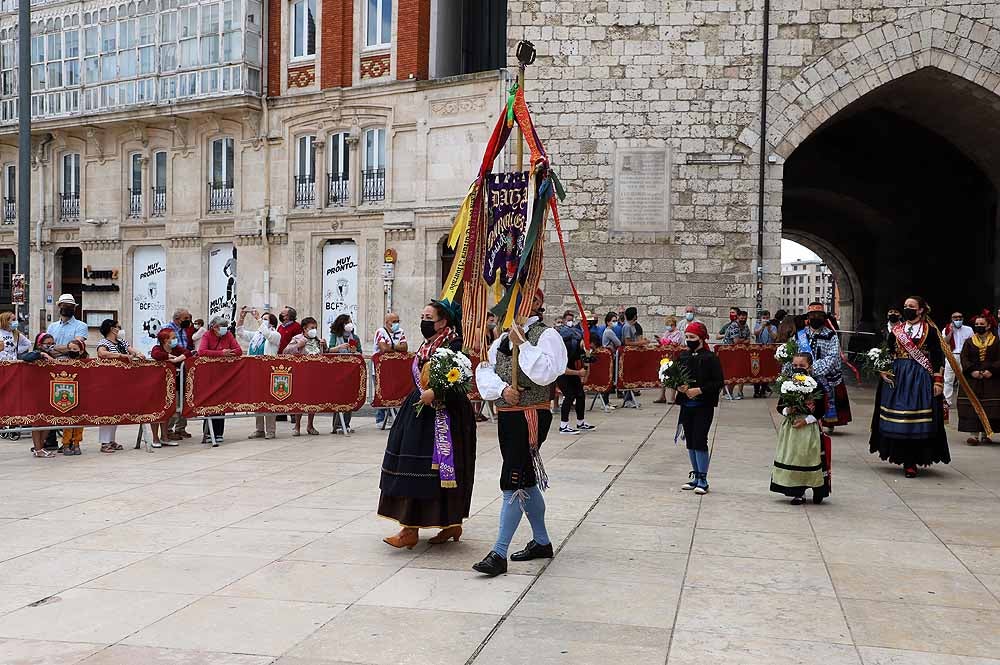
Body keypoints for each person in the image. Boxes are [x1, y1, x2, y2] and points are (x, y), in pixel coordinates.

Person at [473, 288, 567, 576]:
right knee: (525, 479)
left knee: (512, 479)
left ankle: (498, 553)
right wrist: (502, 389)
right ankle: (541, 542)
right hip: (508, 415)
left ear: (536, 303)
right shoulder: (501, 338)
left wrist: (524, 345)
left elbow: (548, 373)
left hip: (531, 414)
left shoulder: (546, 335)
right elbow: (485, 370)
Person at [378, 300, 476, 549]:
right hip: (420, 408)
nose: (424, 321)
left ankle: (447, 523)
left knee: (440, 469)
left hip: (446, 413)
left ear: (443, 321)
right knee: (410, 462)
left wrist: (438, 392)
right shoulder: (428, 344)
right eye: (422, 316)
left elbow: (459, 379)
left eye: (429, 317)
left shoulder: (453, 344)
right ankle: (411, 527)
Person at [869, 296, 950, 478]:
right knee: (897, 417)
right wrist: (882, 370)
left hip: (919, 378)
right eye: (905, 306)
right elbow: (887, 352)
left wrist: (938, 381)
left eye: (911, 306)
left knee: (915, 420)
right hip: (898, 377)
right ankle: (899, 455)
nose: (907, 309)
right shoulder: (898, 330)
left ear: (921, 310)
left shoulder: (930, 330)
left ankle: (911, 461)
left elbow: (938, 356)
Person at [771, 352, 831, 505]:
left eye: (802, 366)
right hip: (791, 428)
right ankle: (798, 493)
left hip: (809, 428)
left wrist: (806, 420)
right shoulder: (788, 383)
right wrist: (787, 411)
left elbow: (822, 408)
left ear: (809, 366)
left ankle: (818, 489)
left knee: (809, 458)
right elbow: (780, 406)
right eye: (795, 366)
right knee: (793, 457)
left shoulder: (816, 384)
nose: (798, 369)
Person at [676, 322, 724, 495]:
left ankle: (703, 478)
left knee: (700, 439)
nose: (689, 341)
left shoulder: (711, 358)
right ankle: (696, 475)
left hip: (703, 405)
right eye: (687, 337)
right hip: (686, 405)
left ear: (702, 338)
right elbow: (676, 376)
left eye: (693, 338)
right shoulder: (683, 356)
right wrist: (679, 386)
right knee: (690, 441)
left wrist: (699, 390)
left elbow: (718, 382)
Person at [793, 309, 852, 432]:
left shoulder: (831, 334)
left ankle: (828, 422)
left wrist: (814, 368)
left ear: (823, 317)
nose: (815, 317)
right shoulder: (801, 334)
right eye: (812, 315)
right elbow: (794, 351)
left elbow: (833, 356)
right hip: (803, 372)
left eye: (818, 315)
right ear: (808, 317)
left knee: (826, 397)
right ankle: (803, 419)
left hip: (825, 373)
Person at [96, 319, 146, 454]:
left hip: (121, 381)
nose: (120, 329)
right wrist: (120, 355)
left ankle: (111, 440)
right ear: (112, 329)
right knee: (107, 410)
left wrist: (138, 353)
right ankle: (104, 442)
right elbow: (102, 353)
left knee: (116, 410)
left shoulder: (122, 342)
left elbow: (132, 350)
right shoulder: (103, 342)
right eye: (118, 327)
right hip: (108, 381)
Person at [237, 308, 282, 440]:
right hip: (255, 370)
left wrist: (257, 319)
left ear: (272, 323)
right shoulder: (256, 335)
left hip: (268, 370)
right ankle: (259, 429)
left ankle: (271, 430)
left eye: (265, 319)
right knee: (257, 400)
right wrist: (242, 317)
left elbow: (267, 334)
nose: (262, 320)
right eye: (262, 318)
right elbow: (240, 333)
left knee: (268, 400)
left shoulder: (275, 335)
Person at [198, 316, 243, 445]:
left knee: (221, 403)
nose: (223, 329)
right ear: (213, 327)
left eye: (224, 327)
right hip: (210, 375)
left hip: (224, 375)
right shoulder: (207, 335)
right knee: (210, 403)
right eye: (220, 327)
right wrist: (220, 353)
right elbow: (201, 351)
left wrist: (230, 352)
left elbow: (238, 350)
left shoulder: (228, 335)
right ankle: (207, 433)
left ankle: (219, 433)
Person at [959, 315, 1000, 445]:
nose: (978, 326)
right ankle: (974, 435)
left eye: (982, 324)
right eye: (977, 324)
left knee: (989, 407)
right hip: (973, 378)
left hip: (991, 379)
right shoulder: (969, 341)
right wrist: (972, 371)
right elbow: (964, 358)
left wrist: (991, 370)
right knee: (972, 406)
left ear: (988, 326)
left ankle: (986, 434)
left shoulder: (996, 341)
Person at [285, 316, 328, 436]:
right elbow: (285, 351)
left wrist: (324, 346)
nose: (314, 330)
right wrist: (298, 345)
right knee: (300, 399)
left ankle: (310, 425)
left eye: (315, 328)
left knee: (313, 400)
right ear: (304, 328)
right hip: (301, 373)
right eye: (312, 328)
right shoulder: (297, 338)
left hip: (315, 373)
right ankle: (297, 426)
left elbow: (325, 353)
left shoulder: (317, 339)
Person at [149, 328, 191, 449]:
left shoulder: (176, 349)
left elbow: (187, 352)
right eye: (172, 338)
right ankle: (155, 438)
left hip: (172, 385)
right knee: (156, 411)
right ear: (165, 340)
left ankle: (165, 437)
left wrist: (178, 359)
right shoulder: (157, 348)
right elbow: (155, 355)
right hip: (157, 384)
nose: (175, 340)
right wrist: (168, 356)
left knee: (168, 411)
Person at [556, 310, 593, 434]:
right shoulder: (568, 345)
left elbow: (587, 363)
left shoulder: (583, 346)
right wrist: (579, 373)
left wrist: (585, 373)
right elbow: (563, 369)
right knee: (569, 395)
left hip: (570, 367)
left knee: (580, 394)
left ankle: (581, 422)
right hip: (561, 369)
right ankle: (563, 426)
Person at [21, 333, 57, 458]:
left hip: (50, 390)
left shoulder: (53, 354)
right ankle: (38, 448)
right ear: (40, 344)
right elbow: (25, 357)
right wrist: (42, 354)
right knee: (37, 421)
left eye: (52, 343)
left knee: (48, 421)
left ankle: (41, 447)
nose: (50, 346)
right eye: (48, 344)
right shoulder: (36, 354)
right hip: (35, 391)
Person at [162, 308, 196, 441]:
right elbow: (162, 349)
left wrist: (185, 355)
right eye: (186, 319)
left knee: (184, 398)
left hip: (183, 368)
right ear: (177, 319)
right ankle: (168, 430)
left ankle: (181, 428)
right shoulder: (167, 329)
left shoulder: (183, 330)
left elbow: (185, 350)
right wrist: (177, 357)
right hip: (172, 369)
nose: (188, 321)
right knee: (174, 399)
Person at [373, 312, 409, 427]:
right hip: (381, 369)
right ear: (387, 322)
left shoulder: (400, 332)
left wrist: (392, 347)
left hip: (395, 369)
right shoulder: (380, 332)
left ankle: (391, 419)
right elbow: (383, 348)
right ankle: (380, 419)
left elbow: (405, 347)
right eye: (394, 321)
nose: (396, 324)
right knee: (382, 391)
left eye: (398, 321)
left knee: (393, 391)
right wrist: (396, 348)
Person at [329, 314, 362, 434]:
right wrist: (339, 347)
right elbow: (329, 350)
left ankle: (346, 423)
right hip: (338, 370)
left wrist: (355, 351)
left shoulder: (355, 338)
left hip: (351, 371)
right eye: (348, 322)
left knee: (349, 396)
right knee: (339, 397)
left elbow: (360, 353)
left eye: (351, 322)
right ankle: (337, 425)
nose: (350, 324)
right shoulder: (335, 336)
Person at [55, 338, 88, 455]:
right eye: (70, 348)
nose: (72, 351)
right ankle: (65, 444)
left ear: (81, 351)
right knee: (68, 422)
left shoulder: (86, 363)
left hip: (82, 394)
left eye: (75, 349)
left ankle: (77, 443)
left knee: (79, 421)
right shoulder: (64, 361)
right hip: (68, 395)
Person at [943, 311, 973, 410]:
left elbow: (972, 343)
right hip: (951, 355)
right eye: (955, 318)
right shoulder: (946, 329)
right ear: (951, 319)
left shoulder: (968, 329)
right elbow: (945, 342)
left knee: (964, 380)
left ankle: (963, 400)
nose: (958, 319)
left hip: (964, 356)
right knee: (948, 380)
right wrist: (951, 331)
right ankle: (947, 402)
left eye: (960, 317)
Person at [655, 316, 684, 404]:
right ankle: (662, 396)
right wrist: (659, 341)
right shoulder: (667, 333)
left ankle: (672, 397)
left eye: (670, 325)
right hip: (666, 357)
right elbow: (664, 341)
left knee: (673, 376)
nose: (668, 327)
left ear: (674, 325)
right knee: (663, 375)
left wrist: (663, 341)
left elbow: (674, 343)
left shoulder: (678, 333)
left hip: (674, 357)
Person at [723, 309, 751, 399]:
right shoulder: (734, 326)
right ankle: (728, 392)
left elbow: (748, 340)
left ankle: (740, 392)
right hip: (729, 352)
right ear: (738, 317)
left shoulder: (746, 326)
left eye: (745, 318)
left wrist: (742, 340)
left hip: (740, 352)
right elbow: (736, 341)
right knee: (732, 373)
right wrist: (743, 340)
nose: (743, 319)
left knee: (741, 372)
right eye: (741, 318)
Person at [753, 310, 779, 397]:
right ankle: (756, 391)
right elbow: (755, 333)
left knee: (766, 371)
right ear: (761, 318)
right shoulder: (758, 325)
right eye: (764, 318)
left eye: (767, 318)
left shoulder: (773, 327)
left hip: (768, 351)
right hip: (758, 351)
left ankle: (763, 390)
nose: (766, 320)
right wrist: (762, 327)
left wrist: (769, 329)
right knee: (756, 370)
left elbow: (775, 337)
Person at [601, 311, 621, 411]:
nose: (615, 322)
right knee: (609, 379)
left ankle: (607, 401)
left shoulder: (608, 331)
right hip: (609, 358)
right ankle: (605, 402)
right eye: (613, 321)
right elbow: (618, 342)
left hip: (610, 357)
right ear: (608, 322)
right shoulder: (609, 332)